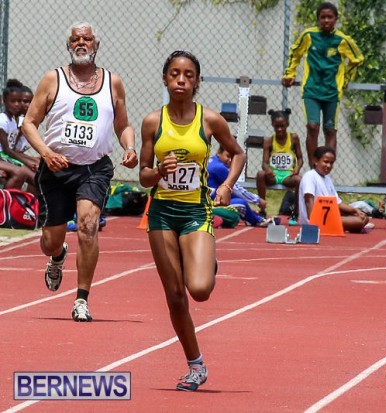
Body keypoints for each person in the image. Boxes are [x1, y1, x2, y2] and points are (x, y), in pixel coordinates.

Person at [139, 50, 246, 392]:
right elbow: (142, 175)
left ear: (197, 81)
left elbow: (238, 153)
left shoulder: (210, 120)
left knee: (199, 290)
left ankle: (206, 261)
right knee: (175, 295)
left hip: (196, 212)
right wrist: (159, 171)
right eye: (174, 74)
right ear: (165, 79)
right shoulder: (152, 122)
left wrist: (226, 186)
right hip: (161, 214)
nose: (181, 80)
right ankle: (195, 365)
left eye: (188, 75)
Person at [21, 22, 138, 322]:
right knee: (49, 241)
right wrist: (46, 153)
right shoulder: (53, 79)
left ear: (96, 45)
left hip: (94, 168)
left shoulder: (112, 82)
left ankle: (81, 299)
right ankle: (57, 255)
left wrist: (129, 147)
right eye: (76, 39)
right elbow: (29, 123)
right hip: (57, 169)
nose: (81, 43)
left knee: (88, 226)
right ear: (68, 45)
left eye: (87, 39)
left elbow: (123, 125)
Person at [281, 1, 364, 165]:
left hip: (332, 92)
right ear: (318, 19)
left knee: (330, 130)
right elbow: (295, 53)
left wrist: (345, 79)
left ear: (336, 19)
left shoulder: (342, 40)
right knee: (312, 126)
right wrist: (290, 73)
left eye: (330, 17)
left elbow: (357, 59)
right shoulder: (309, 35)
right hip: (311, 90)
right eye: (323, 17)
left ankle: (326, 166)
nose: (326, 20)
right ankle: (314, 166)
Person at [299, 146, 372, 233]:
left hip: (328, 216)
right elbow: (308, 200)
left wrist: (355, 211)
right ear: (315, 161)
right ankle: (349, 227)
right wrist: (313, 223)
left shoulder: (327, 178)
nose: (329, 165)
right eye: (326, 162)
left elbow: (338, 203)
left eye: (331, 163)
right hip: (317, 219)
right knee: (359, 222)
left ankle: (347, 227)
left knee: (364, 218)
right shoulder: (310, 176)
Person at [256, 108, 304, 225]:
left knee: (299, 180)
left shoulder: (293, 138)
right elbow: (264, 163)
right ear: (272, 125)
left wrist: (297, 168)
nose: (279, 129)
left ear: (287, 124)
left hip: (288, 175)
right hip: (274, 174)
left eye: (282, 126)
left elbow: (300, 158)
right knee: (260, 174)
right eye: (276, 126)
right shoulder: (268, 141)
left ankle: (295, 213)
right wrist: (268, 170)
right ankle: (262, 210)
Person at [208, 147, 272, 227]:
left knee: (234, 213)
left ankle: (217, 219)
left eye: (233, 158)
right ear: (219, 153)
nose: (230, 160)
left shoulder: (212, 161)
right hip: (210, 204)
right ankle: (258, 220)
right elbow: (236, 189)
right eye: (228, 156)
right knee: (241, 205)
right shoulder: (219, 167)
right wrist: (257, 200)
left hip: (208, 201)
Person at [0, 79, 31, 190]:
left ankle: (24, 200)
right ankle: (6, 200)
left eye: (19, 101)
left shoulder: (13, 122)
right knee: (20, 172)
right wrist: (27, 162)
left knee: (35, 176)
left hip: (5, 157)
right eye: (13, 101)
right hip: (2, 156)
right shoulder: (2, 120)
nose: (17, 104)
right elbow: (7, 150)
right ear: (4, 101)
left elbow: (13, 150)